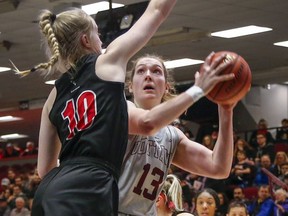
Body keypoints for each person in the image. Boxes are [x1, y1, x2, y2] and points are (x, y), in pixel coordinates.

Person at [12, 0, 179, 215]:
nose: (101, 40)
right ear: (86, 40)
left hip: (50, 193)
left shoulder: (53, 96)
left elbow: (44, 169)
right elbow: (156, 10)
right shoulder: (106, 63)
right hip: (90, 187)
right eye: (97, 33)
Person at [118, 53, 236, 215]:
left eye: (156, 71)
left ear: (166, 86)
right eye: (141, 71)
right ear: (130, 86)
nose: (148, 76)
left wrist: (226, 109)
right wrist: (197, 90)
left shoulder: (172, 136)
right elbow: (147, 124)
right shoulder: (122, 109)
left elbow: (220, 167)